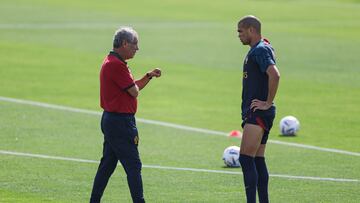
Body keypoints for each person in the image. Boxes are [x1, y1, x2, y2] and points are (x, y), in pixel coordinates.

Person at [90, 27, 161, 203]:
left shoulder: (112, 61)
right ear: (124, 43)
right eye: (135, 44)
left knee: (107, 165)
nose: (137, 49)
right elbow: (134, 92)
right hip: (121, 123)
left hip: (112, 120)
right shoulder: (116, 65)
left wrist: (148, 76)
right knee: (133, 165)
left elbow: (130, 88)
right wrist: (139, 84)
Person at [237, 15, 280, 203]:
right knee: (257, 159)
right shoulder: (261, 48)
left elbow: (275, 75)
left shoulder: (260, 50)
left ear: (251, 30)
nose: (238, 35)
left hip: (258, 113)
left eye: (240, 31)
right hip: (259, 113)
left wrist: (267, 102)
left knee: (246, 159)